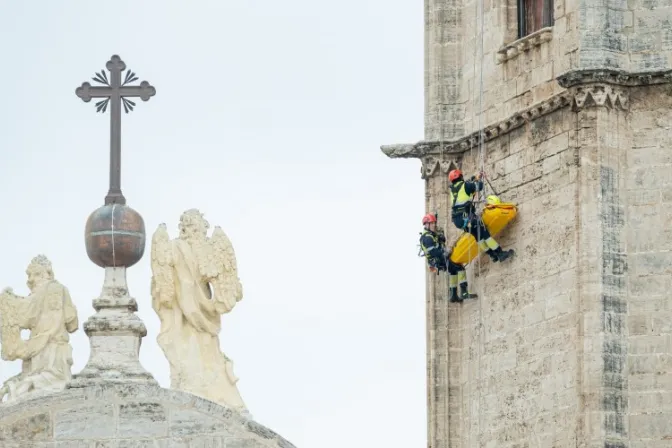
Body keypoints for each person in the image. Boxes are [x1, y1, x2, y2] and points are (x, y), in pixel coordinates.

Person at [448, 169, 513, 263]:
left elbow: (466, 187)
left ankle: (492, 255)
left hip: (458, 221)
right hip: (467, 217)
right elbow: (479, 186)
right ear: (461, 177)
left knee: (478, 237)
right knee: (485, 235)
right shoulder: (465, 186)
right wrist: (478, 180)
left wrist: (474, 178)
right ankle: (500, 253)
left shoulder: (453, 189)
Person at [419, 213, 477, 303]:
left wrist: (441, 237)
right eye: (432, 223)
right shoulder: (426, 238)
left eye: (434, 223)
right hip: (439, 260)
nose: (434, 225)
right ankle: (464, 293)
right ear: (427, 225)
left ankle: (453, 295)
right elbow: (434, 252)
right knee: (459, 268)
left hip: (441, 259)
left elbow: (441, 243)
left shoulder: (432, 234)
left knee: (453, 271)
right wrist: (445, 252)